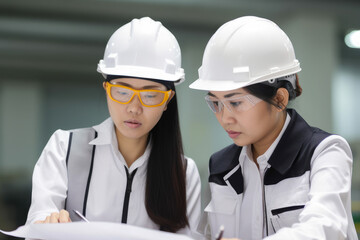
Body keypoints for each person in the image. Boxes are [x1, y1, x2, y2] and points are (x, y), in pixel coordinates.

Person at [26, 17, 201, 236]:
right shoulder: (65, 148)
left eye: (150, 95)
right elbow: (37, 224)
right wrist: (48, 225)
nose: (134, 108)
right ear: (106, 89)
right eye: (123, 92)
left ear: (167, 100)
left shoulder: (183, 172)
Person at [189, 16, 358, 240]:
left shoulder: (324, 152)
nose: (224, 117)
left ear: (279, 99)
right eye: (216, 103)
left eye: (236, 103)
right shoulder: (221, 167)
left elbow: (325, 228)